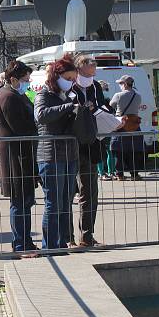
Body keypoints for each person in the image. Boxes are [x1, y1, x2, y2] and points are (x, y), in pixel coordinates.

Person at [34, 55, 79, 250]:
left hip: (69, 155)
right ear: (56, 76)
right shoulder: (44, 95)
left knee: (65, 202)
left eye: (73, 79)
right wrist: (68, 107)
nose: (71, 83)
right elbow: (41, 116)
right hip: (51, 156)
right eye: (68, 78)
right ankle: (50, 245)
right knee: (53, 203)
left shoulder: (66, 95)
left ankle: (61, 242)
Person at [0, 61, 38, 253]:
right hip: (16, 159)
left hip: (19, 157)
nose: (27, 83)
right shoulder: (9, 97)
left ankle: (23, 242)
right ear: (13, 79)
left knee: (23, 203)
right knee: (20, 203)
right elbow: (21, 128)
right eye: (24, 80)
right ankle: (21, 244)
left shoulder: (10, 94)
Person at [70, 55, 108, 248]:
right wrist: (82, 108)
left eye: (94, 66)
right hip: (73, 145)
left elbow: (102, 106)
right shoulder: (70, 86)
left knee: (90, 192)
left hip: (92, 145)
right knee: (68, 193)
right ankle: (68, 237)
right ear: (79, 69)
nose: (93, 68)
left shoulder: (96, 87)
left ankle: (87, 235)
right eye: (88, 66)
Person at [109, 75, 145, 181]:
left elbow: (111, 105)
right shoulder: (138, 96)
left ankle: (119, 174)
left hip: (121, 123)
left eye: (120, 83)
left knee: (119, 150)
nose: (120, 85)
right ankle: (134, 174)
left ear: (124, 84)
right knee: (134, 151)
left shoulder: (118, 95)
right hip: (134, 124)